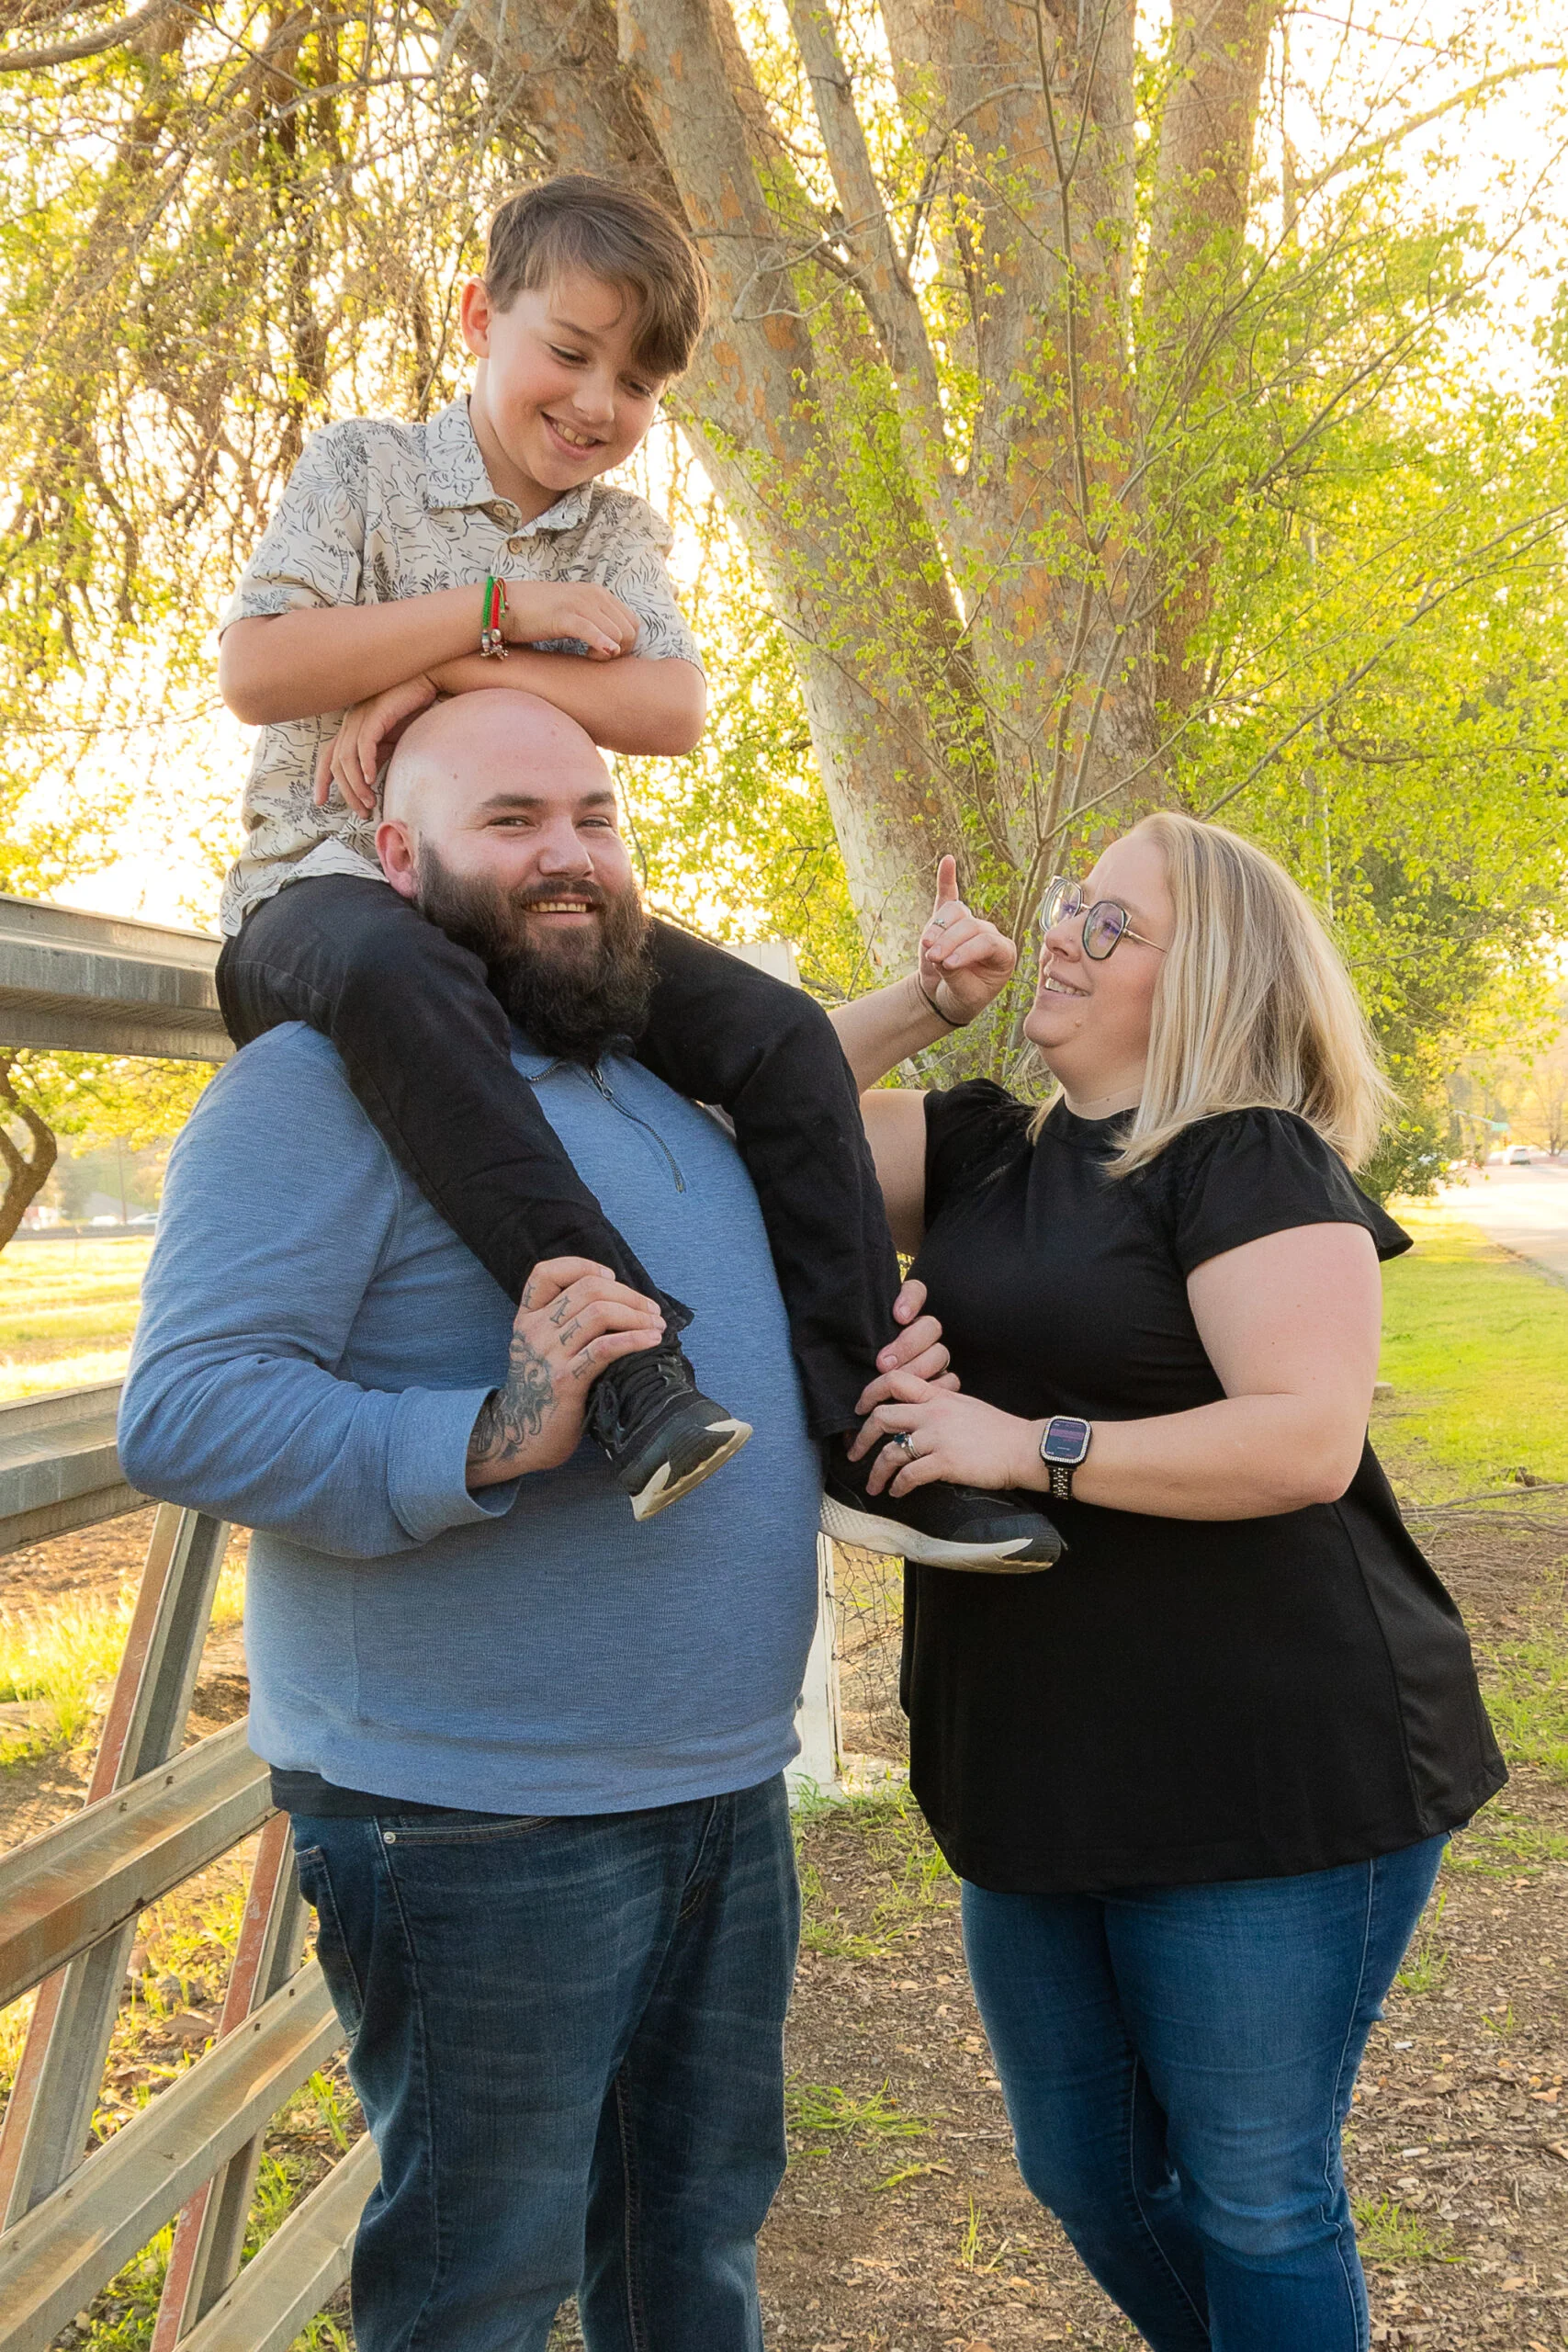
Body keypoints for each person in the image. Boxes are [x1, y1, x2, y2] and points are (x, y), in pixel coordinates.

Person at [118, 690, 1032, 2351]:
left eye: (593, 820)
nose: (568, 858)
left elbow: (811, 1141)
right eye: (513, 823)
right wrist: (490, 1433)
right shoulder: (318, 1090)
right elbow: (184, 1411)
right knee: (477, 2297)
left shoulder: (654, 1079)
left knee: (689, 2265)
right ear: (396, 861)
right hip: (472, 1817)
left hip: (715, 1791)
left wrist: (869, 1365)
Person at [211, 170, 1052, 1567]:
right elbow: (258, 669)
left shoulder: (618, 533)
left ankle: (865, 1432)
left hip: (536, 909)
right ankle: (632, 1366)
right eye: (568, 352)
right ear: (480, 315)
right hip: (329, 901)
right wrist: (501, 605)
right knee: (394, 966)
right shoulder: (361, 468)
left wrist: (435, 669)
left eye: (638, 381)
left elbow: (668, 713)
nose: (600, 403)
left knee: (781, 1039)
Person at [845, 812, 1506, 2351]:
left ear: (1201, 981)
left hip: (1263, 1768)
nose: (1060, 934)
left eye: (1110, 925)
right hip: (1028, 1756)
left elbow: (1301, 1441)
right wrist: (917, 1007)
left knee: (1256, 2192)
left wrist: (1020, 1444)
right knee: (1081, 2172)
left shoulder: (1242, 1156)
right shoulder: (979, 1148)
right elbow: (740, 1105)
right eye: (1070, 903)